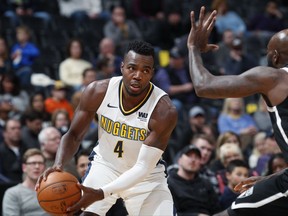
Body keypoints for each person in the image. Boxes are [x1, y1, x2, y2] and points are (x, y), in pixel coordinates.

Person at [36, 40, 178, 215]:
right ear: (122, 67)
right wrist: (59, 164)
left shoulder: (164, 110)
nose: (137, 75)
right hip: (106, 165)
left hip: (146, 177)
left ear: (152, 74)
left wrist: (101, 193)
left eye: (145, 70)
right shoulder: (98, 91)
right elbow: (73, 135)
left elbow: (142, 166)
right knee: (82, 212)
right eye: (132, 68)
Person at [188, 6, 288, 216]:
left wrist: (193, 48)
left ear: (276, 58)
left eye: (268, 54)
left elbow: (203, 85)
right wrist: (269, 179)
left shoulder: (274, 77)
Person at [168, 144, 221, 216]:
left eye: (196, 157)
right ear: (179, 160)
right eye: (189, 156)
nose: (193, 160)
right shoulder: (169, 184)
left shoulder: (206, 183)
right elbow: (169, 213)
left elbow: (217, 209)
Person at [2, 148, 49, 216]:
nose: (37, 166)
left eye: (40, 163)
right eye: (33, 163)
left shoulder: (52, 191)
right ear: (24, 167)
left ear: (45, 167)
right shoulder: (13, 193)